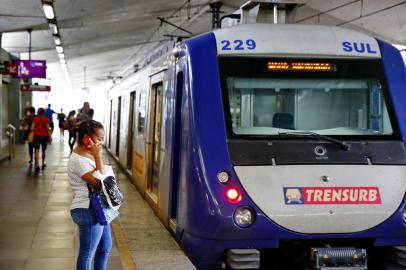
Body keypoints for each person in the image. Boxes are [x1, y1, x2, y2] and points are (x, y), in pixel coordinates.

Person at [68, 120, 112, 270]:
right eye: (99, 138)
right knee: (87, 254)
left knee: (105, 247)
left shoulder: (88, 154)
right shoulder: (79, 160)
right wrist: (98, 155)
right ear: (87, 138)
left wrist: (95, 155)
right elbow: (100, 182)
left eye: (102, 138)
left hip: (98, 207)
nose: (101, 142)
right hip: (87, 209)